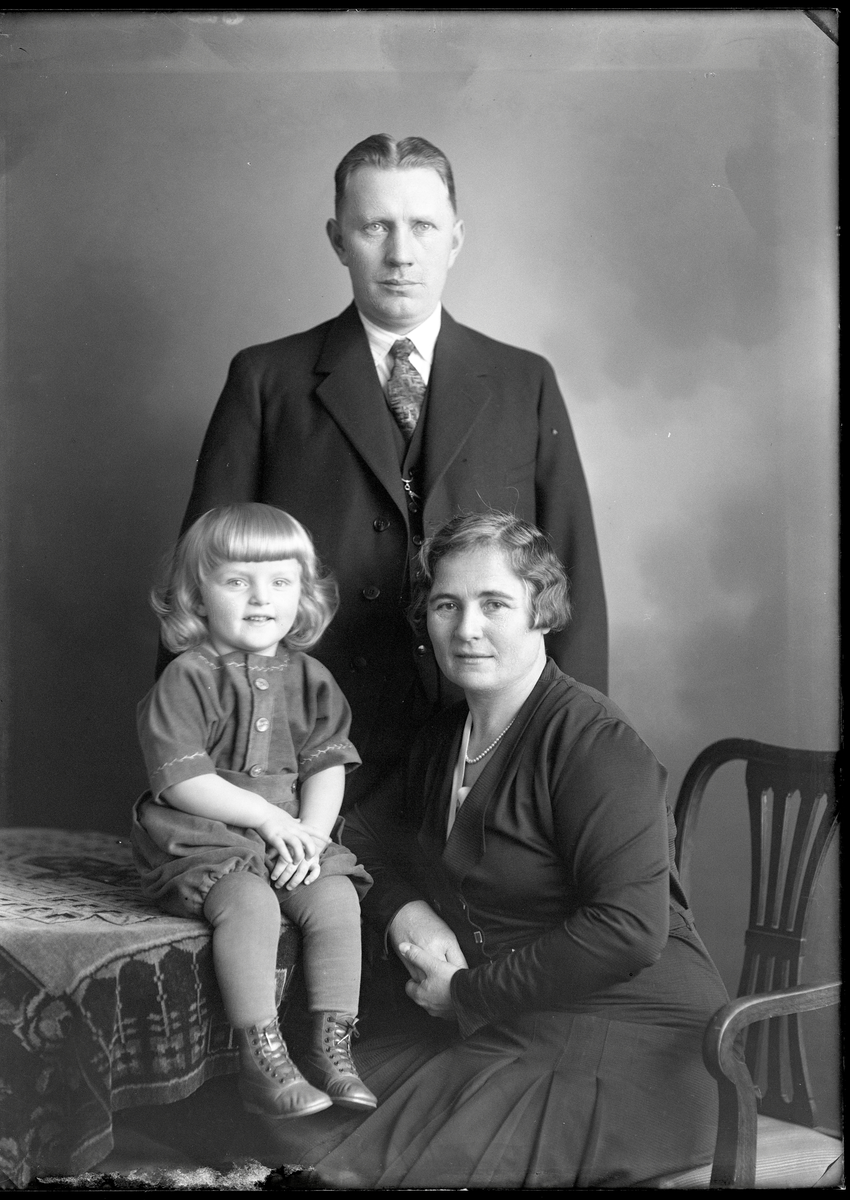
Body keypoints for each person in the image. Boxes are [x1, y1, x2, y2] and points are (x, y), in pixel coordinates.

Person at [268, 511, 729, 1187]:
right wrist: (408, 914)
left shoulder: (594, 741)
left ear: (542, 613)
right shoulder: (446, 734)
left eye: (494, 604)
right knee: (288, 1128)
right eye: (446, 605)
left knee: (362, 1172)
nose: (466, 629)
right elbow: (357, 834)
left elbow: (628, 930)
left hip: (634, 1037)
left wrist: (465, 994)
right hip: (514, 1019)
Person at [167, 133, 608, 808]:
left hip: (484, 742)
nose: (401, 253)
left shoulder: (524, 382)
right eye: (375, 226)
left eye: (422, 226)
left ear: (455, 239)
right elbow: (200, 577)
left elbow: (570, 573)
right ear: (338, 240)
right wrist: (190, 757)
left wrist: (578, 745)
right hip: (303, 748)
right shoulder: (266, 379)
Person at [131, 502, 377, 1121]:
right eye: (238, 580)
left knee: (336, 898)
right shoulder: (188, 678)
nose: (261, 597)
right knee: (251, 903)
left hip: (289, 833)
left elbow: (325, 766)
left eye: (281, 581)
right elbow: (184, 781)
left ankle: (330, 1045)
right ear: (197, 595)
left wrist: (311, 836)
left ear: (304, 594)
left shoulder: (312, 679)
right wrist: (268, 820)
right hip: (204, 837)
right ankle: (260, 1057)